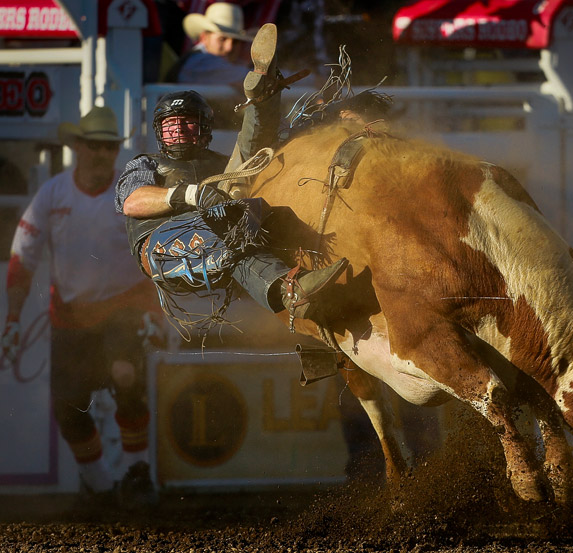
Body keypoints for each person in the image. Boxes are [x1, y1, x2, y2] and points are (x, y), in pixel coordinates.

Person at [116, 23, 348, 337]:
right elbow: (133, 202)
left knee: (266, 208)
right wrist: (193, 194)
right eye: (172, 125)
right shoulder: (145, 163)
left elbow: (248, 170)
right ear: (159, 131)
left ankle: (263, 98)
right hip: (159, 248)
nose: (181, 131)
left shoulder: (217, 162)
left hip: (215, 232)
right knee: (232, 232)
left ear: (205, 129)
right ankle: (289, 293)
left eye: (188, 124)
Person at [1, 106, 161, 507]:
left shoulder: (130, 193)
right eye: (94, 145)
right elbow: (23, 258)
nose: (102, 153)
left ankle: (136, 473)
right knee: (68, 409)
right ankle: (101, 484)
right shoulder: (53, 193)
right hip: (71, 316)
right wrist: (14, 316)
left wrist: (157, 307)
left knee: (126, 376)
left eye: (109, 146)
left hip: (123, 307)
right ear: (77, 146)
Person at [165, 2, 255, 86]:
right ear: (204, 37)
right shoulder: (200, 62)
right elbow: (253, 80)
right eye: (222, 39)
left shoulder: (199, 60)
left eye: (235, 41)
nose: (229, 48)